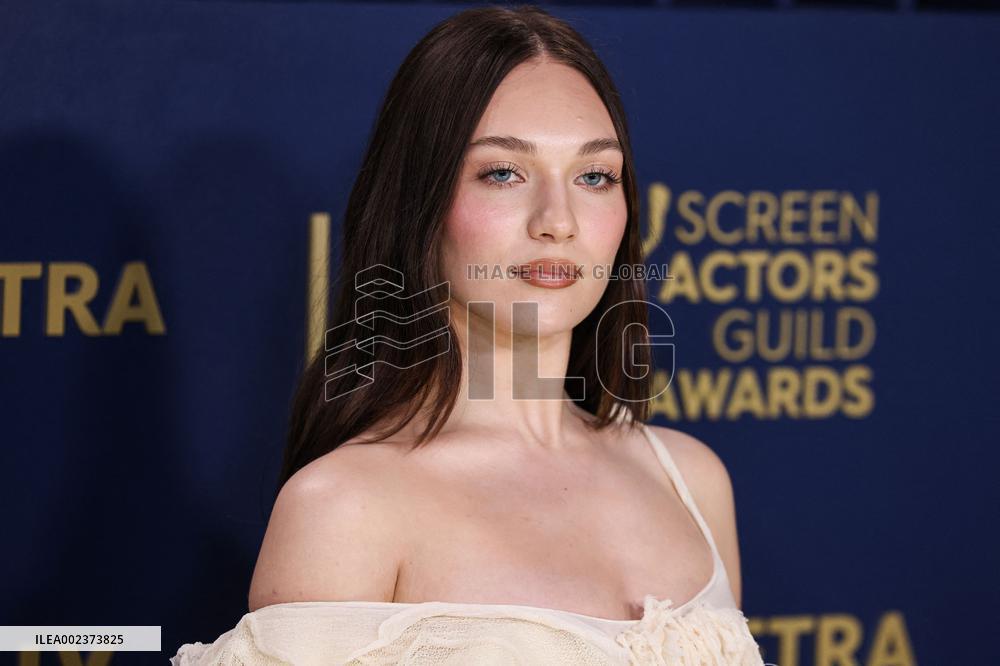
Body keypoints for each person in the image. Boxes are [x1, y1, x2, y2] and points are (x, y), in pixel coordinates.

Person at [172, 5, 764, 664]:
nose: (558, 221)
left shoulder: (691, 480)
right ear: (418, 203)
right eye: (503, 172)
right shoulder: (345, 508)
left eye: (594, 176)